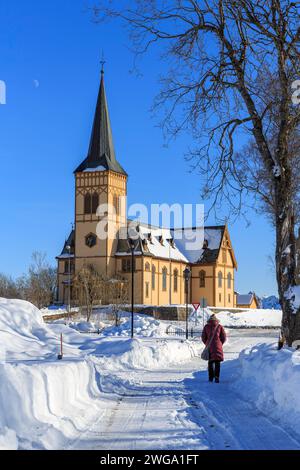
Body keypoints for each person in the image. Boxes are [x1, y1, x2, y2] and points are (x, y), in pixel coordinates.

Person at [201, 314, 226, 383]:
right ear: (216, 320)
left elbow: (203, 337)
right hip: (218, 346)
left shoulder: (206, 327)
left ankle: (210, 378)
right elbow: (224, 337)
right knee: (217, 362)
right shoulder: (220, 327)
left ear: (209, 320)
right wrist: (220, 343)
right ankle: (217, 377)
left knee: (210, 362)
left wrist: (207, 343)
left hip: (209, 346)